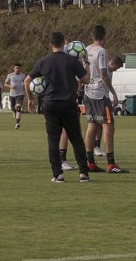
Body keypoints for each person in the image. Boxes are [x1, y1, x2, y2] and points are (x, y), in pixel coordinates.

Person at [29, 32, 91, 183]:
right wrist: (86, 62)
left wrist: (30, 99)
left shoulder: (44, 61)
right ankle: (83, 174)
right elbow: (86, 79)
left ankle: (58, 175)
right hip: (68, 103)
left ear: (50, 44)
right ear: (64, 43)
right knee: (76, 139)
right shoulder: (71, 60)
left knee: (53, 140)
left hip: (49, 104)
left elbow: (26, 81)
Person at [83, 26, 127, 173]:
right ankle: (111, 164)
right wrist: (113, 93)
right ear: (104, 36)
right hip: (100, 95)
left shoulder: (86, 49)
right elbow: (103, 74)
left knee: (91, 126)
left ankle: (90, 163)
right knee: (109, 127)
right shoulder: (102, 52)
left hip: (88, 93)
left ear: (92, 36)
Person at [5, 64, 26, 129]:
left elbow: (26, 83)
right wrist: (10, 86)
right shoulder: (10, 75)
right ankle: (14, 112)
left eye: (18, 68)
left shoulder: (23, 75)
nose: (17, 69)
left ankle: (17, 123)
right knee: (13, 109)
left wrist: (24, 86)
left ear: (20, 69)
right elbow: (5, 84)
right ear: (13, 69)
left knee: (18, 108)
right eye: (16, 68)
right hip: (12, 95)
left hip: (20, 94)